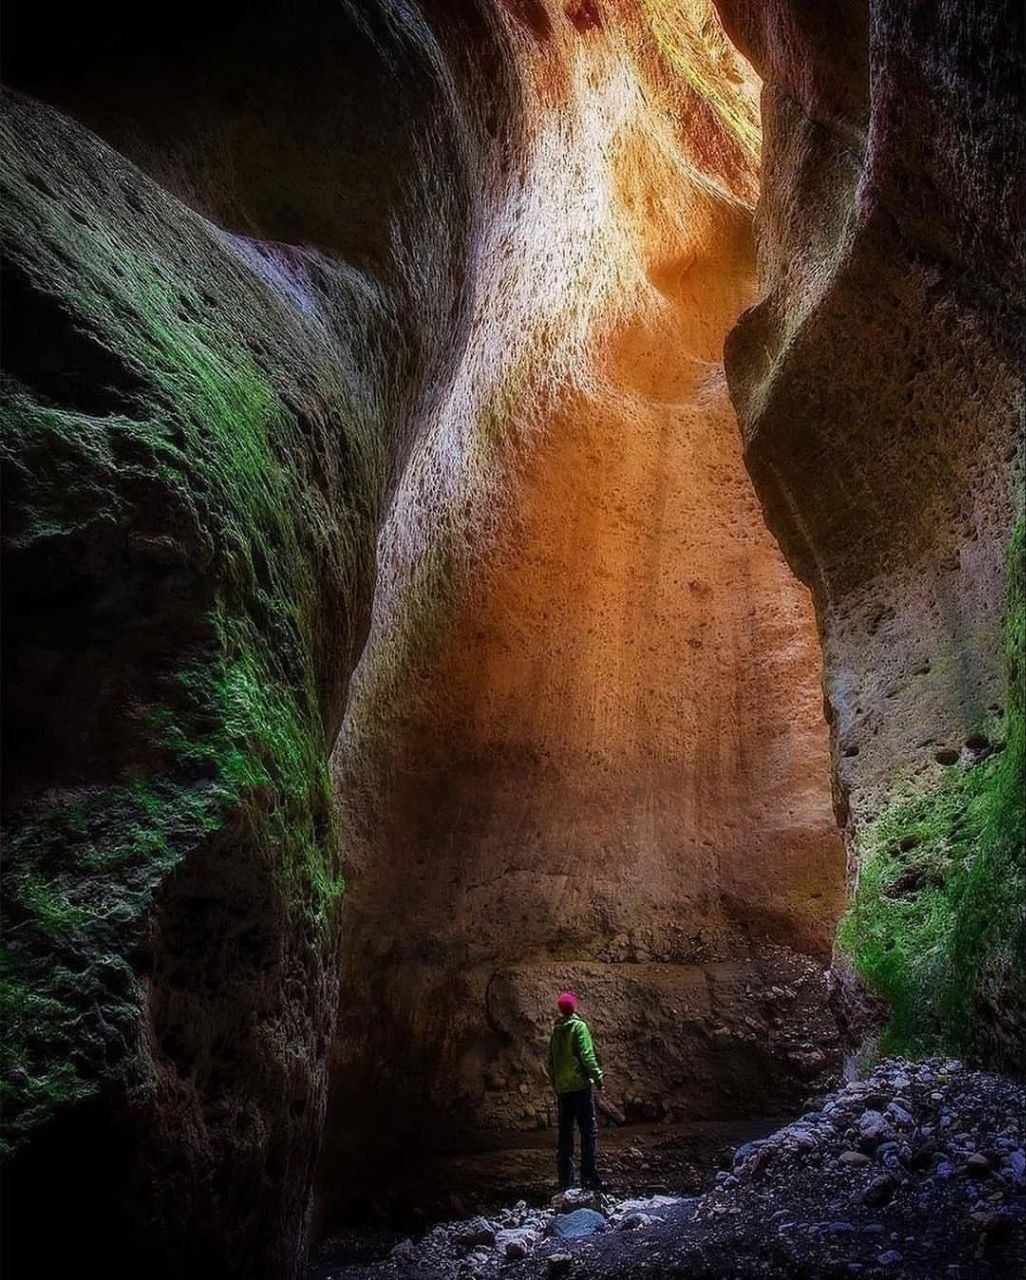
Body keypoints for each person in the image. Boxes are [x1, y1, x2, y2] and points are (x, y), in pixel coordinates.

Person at [546, 990, 605, 1190]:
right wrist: (598, 1078)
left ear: (560, 1010)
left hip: (563, 1090)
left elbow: (550, 1062)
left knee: (565, 1135)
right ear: (575, 1007)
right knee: (588, 1132)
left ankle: (566, 1183)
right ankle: (589, 1178)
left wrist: (556, 1084)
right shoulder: (579, 1027)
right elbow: (587, 1055)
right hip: (580, 1086)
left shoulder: (556, 1030)